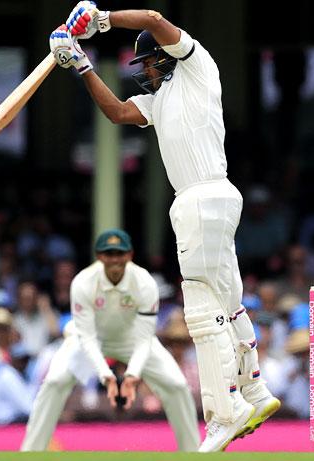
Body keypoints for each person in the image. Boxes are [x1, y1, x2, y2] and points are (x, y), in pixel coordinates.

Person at [48, 4, 280, 451]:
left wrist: (101, 20)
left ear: (168, 57)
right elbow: (116, 113)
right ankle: (254, 390)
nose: (146, 71)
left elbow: (154, 19)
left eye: (150, 61)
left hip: (201, 196)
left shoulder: (197, 67)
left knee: (200, 307)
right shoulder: (159, 100)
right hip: (209, 199)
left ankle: (224, 413)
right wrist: (80, 64)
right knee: (228, 301)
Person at [21, 229, 199, 451]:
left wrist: (132, 375)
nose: (114, 260)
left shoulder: (144, 282)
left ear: (130, 255)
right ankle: (30, 452)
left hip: (133, 339)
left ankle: (192, 453)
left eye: (119, 254)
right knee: (54, 382)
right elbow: (86, 338)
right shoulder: (83, 282)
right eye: (109, 254)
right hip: (89, 337)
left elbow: (145, 340)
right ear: (99, 256)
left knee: (177, 385)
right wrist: (106, 375)